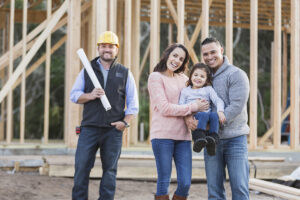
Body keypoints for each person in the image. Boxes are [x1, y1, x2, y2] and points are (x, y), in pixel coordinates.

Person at [70, 31, 139, 200]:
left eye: (110, 46)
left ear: (116, 49)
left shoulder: (124, 73)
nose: (106, 49)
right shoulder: (87, 70)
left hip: (113, 130)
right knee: (81, 169)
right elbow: (74, 95)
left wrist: (125, 123)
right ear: (98, 48)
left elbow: (133, 104)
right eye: (103, 46)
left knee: (109, 172)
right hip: (89, 129)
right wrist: (90, 95)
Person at [147, 43, 209, 200]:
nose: (177, 60)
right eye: (175, 55)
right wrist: (193, 106)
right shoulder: (155, 77)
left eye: (181, 59)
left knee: (185, 182)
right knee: (164, 181)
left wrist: (190, 115)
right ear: (167, 54)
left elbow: (185, 103)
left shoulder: (185, 79)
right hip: (162, 136)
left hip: (183, 137)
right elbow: (164, 108)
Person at [200, 37, 250, 200]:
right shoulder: (202, 77)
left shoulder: (236, 74)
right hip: (210, 140)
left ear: (221, 50)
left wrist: (212, 123)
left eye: (213, 52)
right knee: (214, 193)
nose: (209, 57)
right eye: (205, 54)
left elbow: (236, 106)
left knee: (240, 189)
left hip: (235, 140)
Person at [179, 63, 225, 155]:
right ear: (191, 76)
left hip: (207, 116)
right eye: (195, 75)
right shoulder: (185, 91)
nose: (198, 78)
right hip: (195, 116)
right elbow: (181, 105)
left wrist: (220, 111)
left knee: (214, 115)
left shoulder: (208, 89)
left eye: (202, 76)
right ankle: (198, 138)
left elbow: (218, 100)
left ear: (206, 80)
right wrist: (191, 110)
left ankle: (213, 139)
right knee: (203, 114)